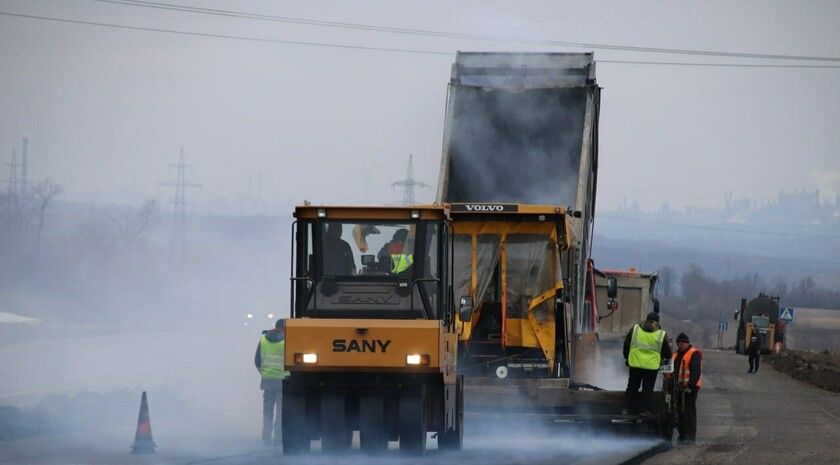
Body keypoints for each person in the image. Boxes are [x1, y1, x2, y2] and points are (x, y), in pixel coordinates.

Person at [624, 312, 672, 415]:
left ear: (646, 319)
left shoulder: (635, 329)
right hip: (651, 367)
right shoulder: (661, 334)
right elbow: (668, 354)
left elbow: (626, 345)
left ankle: (628, 410)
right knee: (647, 389)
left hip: (635, 364)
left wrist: (627, 358)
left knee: (632, 387)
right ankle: (643, 410)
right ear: (658, 322)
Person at [254, 319, 290, 446]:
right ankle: (277, 439)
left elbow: (257, 361)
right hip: (282, 382)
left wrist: (265, 374)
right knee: (280, 413)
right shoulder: (288, 341)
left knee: (268, 412)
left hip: (267, 382)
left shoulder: (263, 339)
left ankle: (265, 438)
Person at [673, 332, 702, 444]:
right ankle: (682, 436)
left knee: (689, 412)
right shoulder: (676, 354)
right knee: (680, 412)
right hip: (679, 388)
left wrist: (690, 385)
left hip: (690, 388)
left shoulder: (694, 354)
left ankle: (689, 437)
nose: (679, 346)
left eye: (681, 344)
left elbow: (696, 372)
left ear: (686, 343)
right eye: (678, 344)